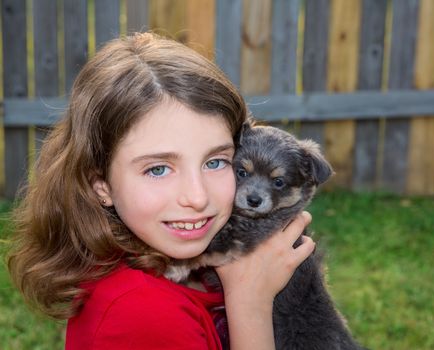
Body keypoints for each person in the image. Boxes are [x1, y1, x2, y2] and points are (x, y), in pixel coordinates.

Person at [7, 32, 315, 349]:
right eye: (158, 169)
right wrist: (249, 303)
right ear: (101, 185)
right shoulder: (143, 314)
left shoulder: (182, 267)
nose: (197, 197)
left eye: (216, 162)